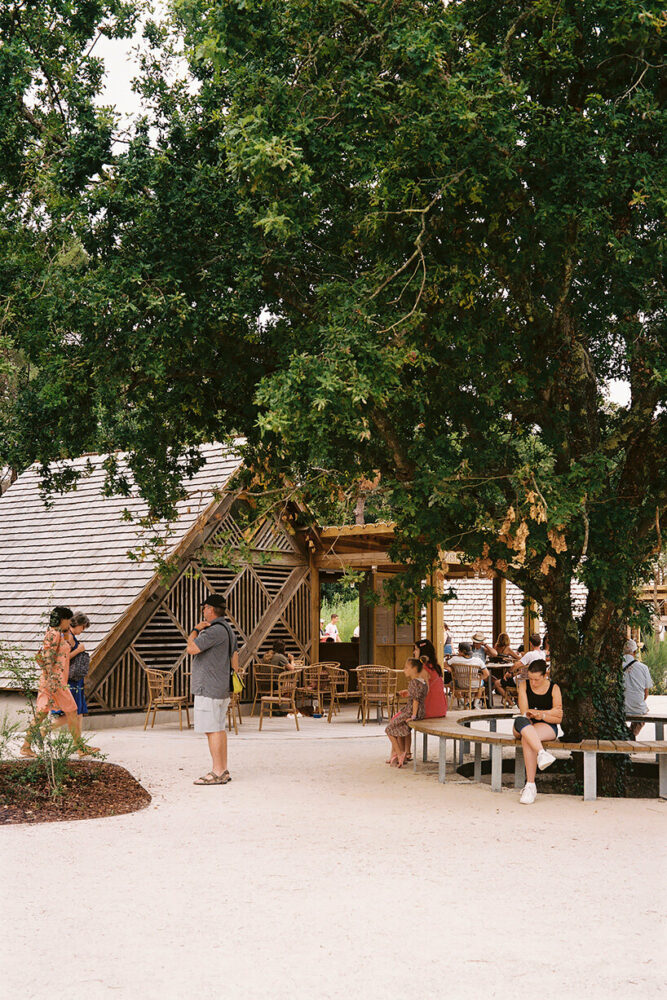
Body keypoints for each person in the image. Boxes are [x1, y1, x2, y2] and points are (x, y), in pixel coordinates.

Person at [20, 606, 98, 759]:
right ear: (63, 620)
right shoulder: (54, 634)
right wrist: (52, 677)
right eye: (68, 620)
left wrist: (67, 634)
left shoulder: (58, 634)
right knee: (70, 711)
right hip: (55, 682)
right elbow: (48, 656)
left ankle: (26, 747)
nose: (69, 623)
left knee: (49, 713)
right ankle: (79, 748)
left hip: (55, 680)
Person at [185, 593, 239, 786]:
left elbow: (191, 649)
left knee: (211, 730)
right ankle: (223, 769)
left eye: (204, 608)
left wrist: (194, 630)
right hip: (221, 687)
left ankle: (217, 771)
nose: (203, 611)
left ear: (210, 609)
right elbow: (235, 660)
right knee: (218, 728)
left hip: (208, 688)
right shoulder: (228, 630)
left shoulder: (213, 630)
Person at [513, 659, 563, 804]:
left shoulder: (554, 688)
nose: (533, 683)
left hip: (545, 725)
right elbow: (524, 712)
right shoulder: (524, 685)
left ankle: (530, 785)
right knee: (521, 721)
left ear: (545, 675)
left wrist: (540, 714)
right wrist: (548, 713)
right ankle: (542, 753)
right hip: (526, 723)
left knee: (527, 738)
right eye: (531, 679)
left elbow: (559, 717)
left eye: (536, 679)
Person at [385, 657, 428, 768]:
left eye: (406, 668)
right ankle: (399, 754)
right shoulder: (423, 681)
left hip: (410, 711)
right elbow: (418, 695)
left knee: (389, 729)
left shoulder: (413, 682)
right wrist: (408, 693)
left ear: (414, 669)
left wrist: (413, 716)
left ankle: (399, 754)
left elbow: (415, 700)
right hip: (421, 712)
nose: (404, 670)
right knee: (396, 725)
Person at [623, 639, 652, 738]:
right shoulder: (643, 667)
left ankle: (627, 736)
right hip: (638, 708)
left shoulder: (616, 666)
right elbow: (646, 693)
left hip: (619, 707)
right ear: (635, 652)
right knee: (641, 718)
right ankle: (631, 735)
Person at [414, 639, 448, 718]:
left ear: (422, 652)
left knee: (395, 720)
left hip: (427, 710)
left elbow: (417, 693)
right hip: (441, 710)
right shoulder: (436, 667)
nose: (414, 652)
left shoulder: (422, 668)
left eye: (416, 649)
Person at [449, 641, 489, 706]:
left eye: (459, 650)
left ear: (461, 651)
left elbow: (444, 665)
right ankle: (475, 704)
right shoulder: (478, 660)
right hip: (475, 684)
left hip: (460, 684)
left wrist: (451, 669)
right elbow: (486, 674)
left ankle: (464, 703)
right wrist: (478, 679)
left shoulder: (454, 659)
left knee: (451, 684)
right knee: (481, 685)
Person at [491, 632, 521, 700]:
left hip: (495, 670)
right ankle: (512, 698)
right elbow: (517, 657)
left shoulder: (496, 646)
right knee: (513, 675)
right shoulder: (507, 648)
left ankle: (490, 694)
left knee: (496, 682)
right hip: (504, 672)